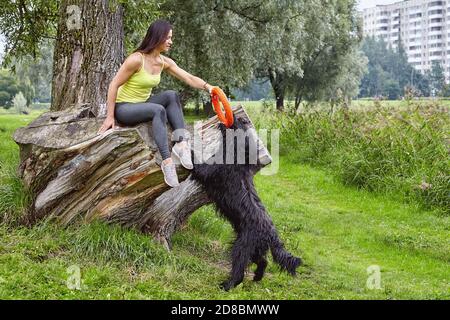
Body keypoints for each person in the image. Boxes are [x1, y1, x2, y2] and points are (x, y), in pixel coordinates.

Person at [97, 19, 214, 188]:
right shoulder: (136, 59)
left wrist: (208, 87)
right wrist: (109, 117)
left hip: (142, 104)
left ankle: (181, 144)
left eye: (171, 38)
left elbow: (188, 77)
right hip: (123, 108)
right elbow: (113, 84)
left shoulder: (163, 62)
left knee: (172, 95)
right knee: (158, 110)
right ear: (157, 37)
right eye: (168, 38)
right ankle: (167, 162)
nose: (170, 41)